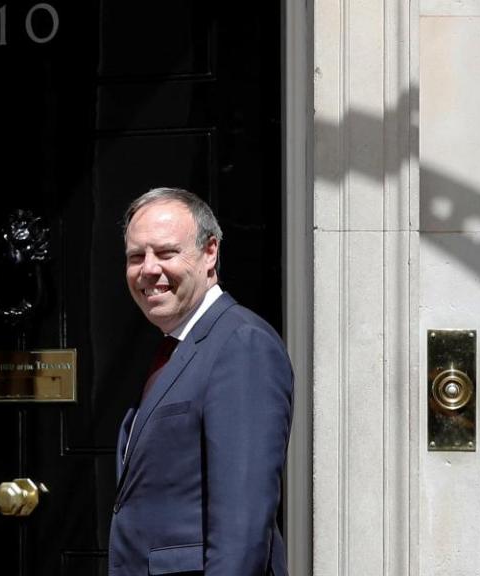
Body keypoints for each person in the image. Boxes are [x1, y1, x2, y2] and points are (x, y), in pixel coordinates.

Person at [110, 188, 293, 576]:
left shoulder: (241, 344)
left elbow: (242, 525)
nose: (148, 269)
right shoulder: (174, 348)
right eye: (135, 256)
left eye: (166, 253)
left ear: (210, 252)